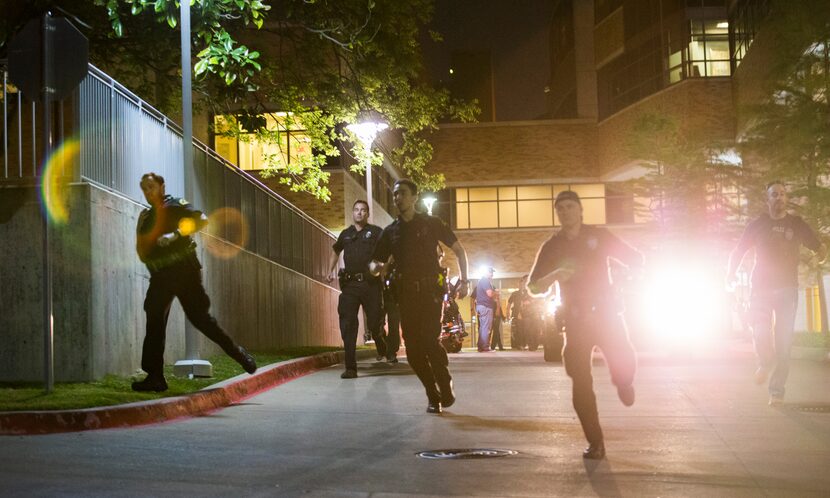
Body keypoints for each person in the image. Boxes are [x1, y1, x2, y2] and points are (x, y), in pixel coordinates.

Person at [527, 190, 643, 459]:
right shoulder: (552, 246)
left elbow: (634, 258)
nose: (565, 212)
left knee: (624, 358)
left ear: (580, 210)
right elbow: (533, 286)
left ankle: (624, 382)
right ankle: (595, 441)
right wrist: (554, 275)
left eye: (570, 207)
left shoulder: (599, 236)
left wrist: (629, 278)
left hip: (606, 315)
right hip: (576, 321)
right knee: (580, 381)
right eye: (560, 209)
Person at [133, 173, 257, 392]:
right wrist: (139, 231)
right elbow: (143, 255)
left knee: (201, 319)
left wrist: (176, 234)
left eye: (151, 187)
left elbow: (202, 219)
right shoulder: (147, 216)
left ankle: (238, 353)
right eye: (144, 188)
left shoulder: (176, 204)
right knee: (154, 320)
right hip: (161, 276)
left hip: (184, 271)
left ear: (162, 186)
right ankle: (155, 377)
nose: (147, 192)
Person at [369, 179, 470, 414]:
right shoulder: (390, 231)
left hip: (430, 294)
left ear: (414, 197)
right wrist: (374, 267)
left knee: (429, 341)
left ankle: (444, 383)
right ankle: (432, 394)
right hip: (405, 295)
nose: (397, 198)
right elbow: (376, 260)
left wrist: (464, 280)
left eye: (402, 194)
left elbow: (459, 250)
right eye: (395, 194)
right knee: (413, 351)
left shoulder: (431, 223)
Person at [727, 181, 826, 406]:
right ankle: (764, 361)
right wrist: (730, 273)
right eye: (774, 194)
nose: (779, 198)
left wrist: (821, 253)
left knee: (784, 342)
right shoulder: (757, 225)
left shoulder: (796, 224)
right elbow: (739, 250)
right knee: (760, 331)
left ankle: (777, 390)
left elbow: (816, 245)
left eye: (782, 194)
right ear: (768, 199)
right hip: (760, 289)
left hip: (787, 291)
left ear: (786, 198)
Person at [327, 200, 387, 378]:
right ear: (352, 213)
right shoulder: (346, 234)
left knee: (375, 320)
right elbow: (336, 251)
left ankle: (379, 339)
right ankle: (351, 367)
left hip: (371, 284)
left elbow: (387, 253)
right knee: (348, 324)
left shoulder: (376, 232)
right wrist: (329, 270)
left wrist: (382, 268)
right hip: (351, 285)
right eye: (356, 210)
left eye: (363, 210)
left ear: (367, 214)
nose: (359, 213)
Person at [473, 267, 497, 352]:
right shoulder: (485, 281)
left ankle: (481, 347)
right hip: (486, 306)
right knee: (486, 328)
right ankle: (485, 347)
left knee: (483, 327)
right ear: (486, 272)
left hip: (481, 306)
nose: (492, 274)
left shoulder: (481, 281)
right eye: (490, 272)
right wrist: (496, 293)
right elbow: (490, 293)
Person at [382, 261, 402, 363]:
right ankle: (383, 346)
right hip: (378, 292)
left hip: (392, 296)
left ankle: (391, 352)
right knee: (376, 323)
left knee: (393, 323)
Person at [508, 275, 530, 350]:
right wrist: (508, 314)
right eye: (521, 284)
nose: (522, 285)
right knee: (518, 330)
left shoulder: (527, 293)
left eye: (523, 284)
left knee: (525, 329)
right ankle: (519, 345)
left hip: (526, 314)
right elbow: (509, 304)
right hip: (516, 314)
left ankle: (524, 344)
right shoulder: (514, 294)